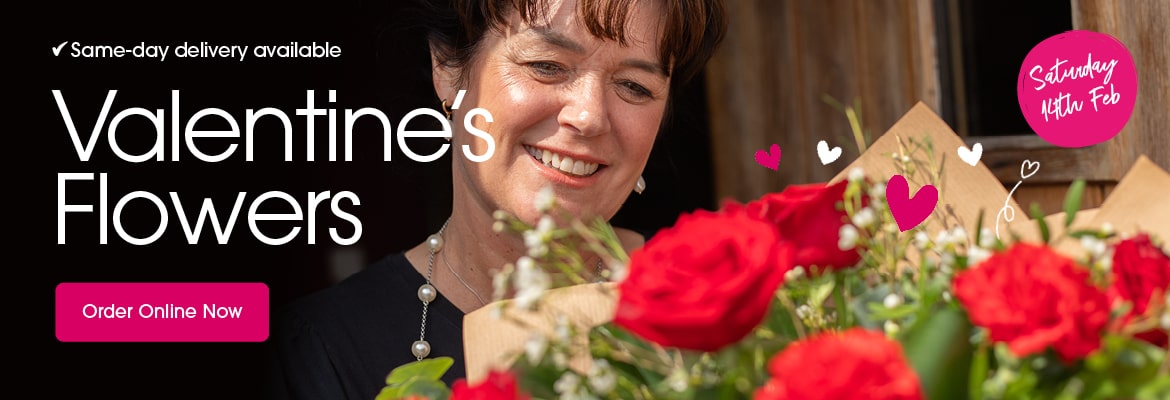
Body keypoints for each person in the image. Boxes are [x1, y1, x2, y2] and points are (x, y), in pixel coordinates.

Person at [268, 0, 726, 398]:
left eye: (634, 86)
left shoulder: (726, 306)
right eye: (547, 65)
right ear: (448, 68)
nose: (589, 116)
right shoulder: (317, 351)